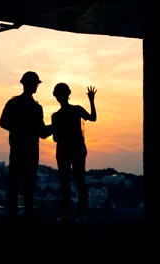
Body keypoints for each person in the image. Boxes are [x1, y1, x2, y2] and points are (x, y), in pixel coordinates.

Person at [0, 71, 52, 223]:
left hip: (22, 150)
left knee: (22, 186)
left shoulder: (21, 105)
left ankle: (17, 216)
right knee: (23, 185)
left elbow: (41, 133)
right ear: (28, 84)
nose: (36, 86)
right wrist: (21, 129)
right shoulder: (30, 107)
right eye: (35, 84)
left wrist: (55, 126)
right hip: (23, 151)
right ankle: (21, 217)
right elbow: (3, 122)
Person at [51, 83, 97, 223]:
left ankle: (67, 215)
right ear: (68, 94)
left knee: (66, 183)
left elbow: (55, 138)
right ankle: (81, 215)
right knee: (79, 182)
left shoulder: (56, 115)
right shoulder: (76, 110)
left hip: (65, 151)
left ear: (56, 97)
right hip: (76, 149)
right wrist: (91, 100)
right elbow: (93, 117)